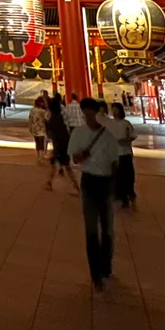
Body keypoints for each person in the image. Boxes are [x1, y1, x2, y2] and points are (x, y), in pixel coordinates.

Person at [68, 97, 121, 289]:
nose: (90, 117)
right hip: (89, 180)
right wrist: (83, 156)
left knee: (107, 228)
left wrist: (114, 186)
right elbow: (74, 159)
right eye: (87, 113)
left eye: (93, 113)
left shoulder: (109, 135)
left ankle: (106, 266)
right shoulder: (79, 133)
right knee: (91, 228)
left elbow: (116, 162)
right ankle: (96, 274)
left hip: (106, 181)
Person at [45, 91, 78, 193]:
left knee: (65, 167)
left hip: (59, 145)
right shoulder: (59, 116)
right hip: (61, 144)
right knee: (56, 165)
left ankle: (76, 187)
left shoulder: (53, 118)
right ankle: (49, 182)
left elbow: (51, 133)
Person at [106, 101, 137, 209]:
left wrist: (126, 140)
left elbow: (133, 136)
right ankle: (123, 198)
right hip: (114, 153)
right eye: (113, 109)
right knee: (118, 177)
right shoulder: (110, 124)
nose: (114, 111)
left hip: (125, 153)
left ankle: (131, 194)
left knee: (128, 176)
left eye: (116, 109)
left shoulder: (126, 123)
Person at [28, 94, 50, 163]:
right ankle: (41, 156)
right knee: (41, 142)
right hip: (41, 128)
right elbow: (47, 119)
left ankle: (38, 155)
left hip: (34, 128)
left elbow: (30, 119)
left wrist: (30, 127)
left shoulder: (32, 110)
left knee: (37, 142)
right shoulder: (43, 111)